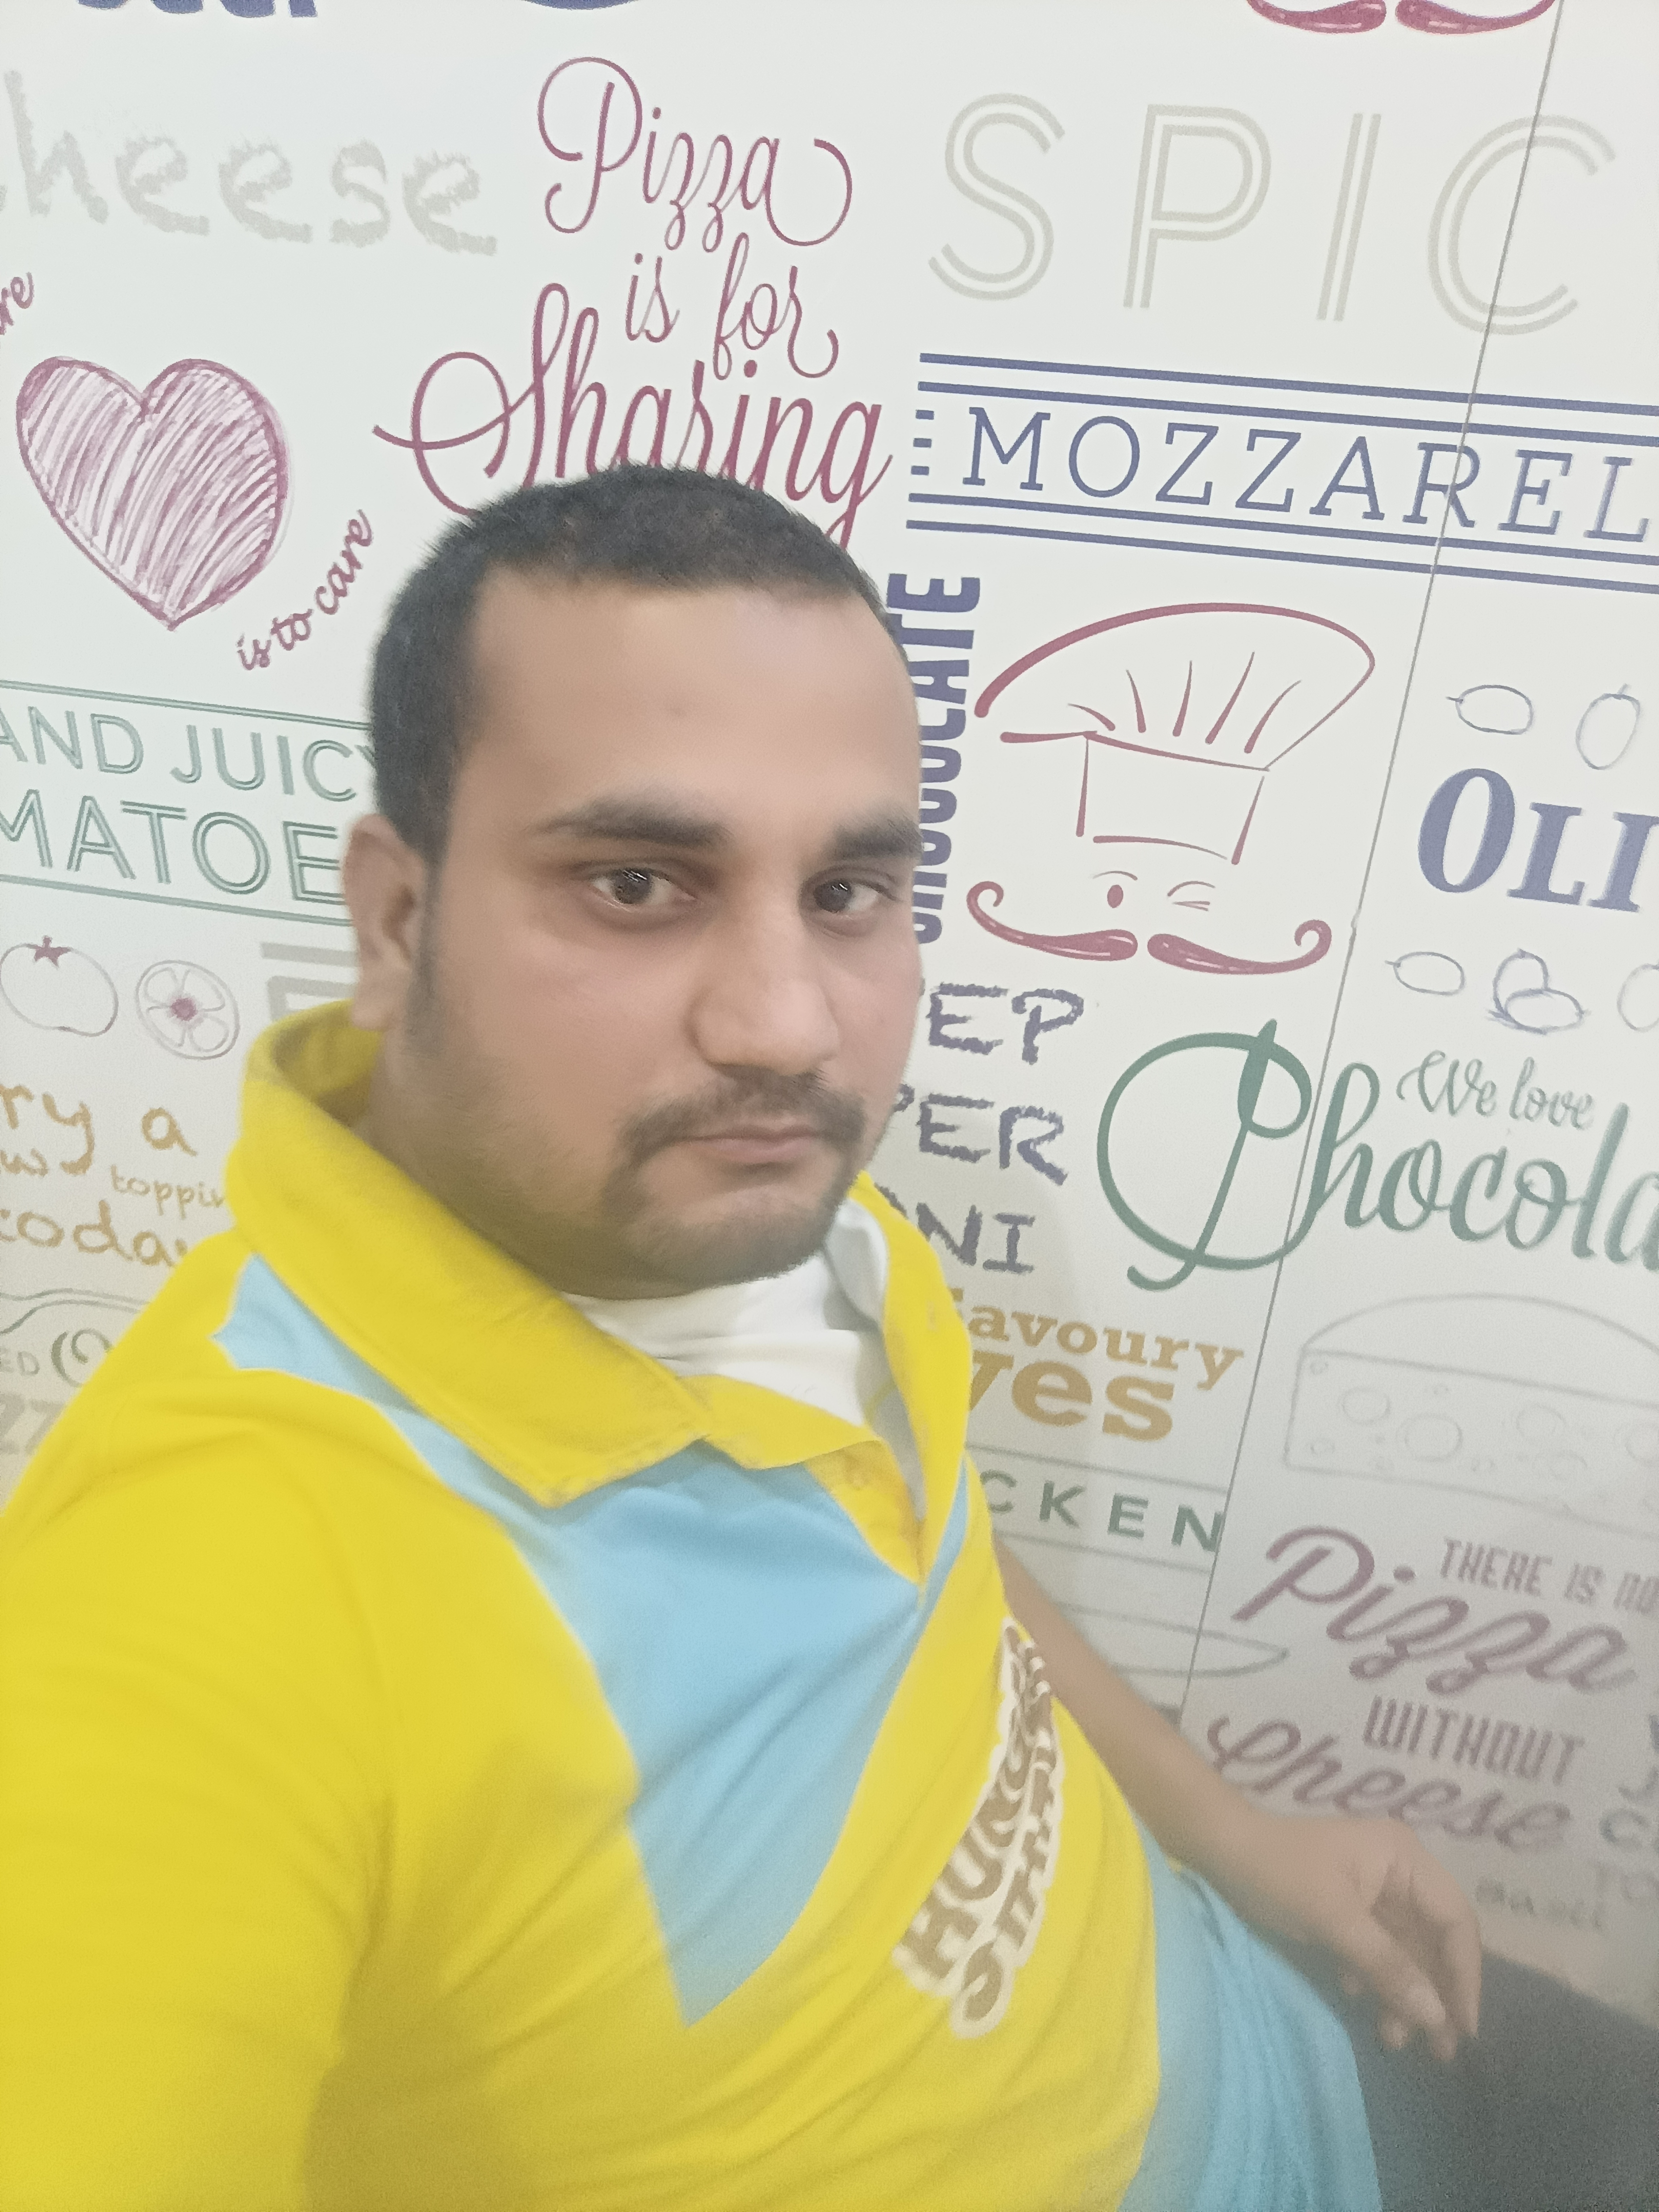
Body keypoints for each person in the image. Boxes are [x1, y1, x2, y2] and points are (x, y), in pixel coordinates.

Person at [0, 467, 1652, 2212]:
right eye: (638, 884)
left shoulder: (794, 1224)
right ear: (399, 920)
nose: (787, 1023)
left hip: (1313, 2037)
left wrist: (1231, 1833)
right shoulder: (208, 1589)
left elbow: (924, 1556)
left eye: (850, 890)